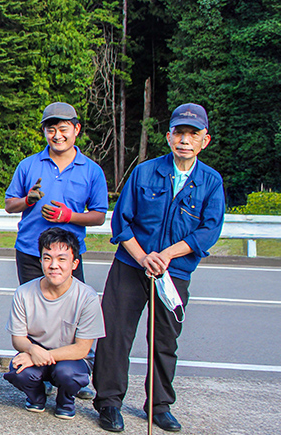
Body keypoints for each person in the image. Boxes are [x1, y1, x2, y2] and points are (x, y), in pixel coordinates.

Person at [93, 103, 225, 433]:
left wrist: (165, 256)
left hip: (174, 272)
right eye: (179, 133)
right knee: (114, 335)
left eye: (192, 134)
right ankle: (109, 402)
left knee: (165, 339)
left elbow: (208, 230)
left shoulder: (211, 181)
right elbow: (121, 222)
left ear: (204, 140)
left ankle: (159, 404)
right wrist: (143, 257)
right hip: (131, 265)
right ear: (168, 137)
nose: (184, 140)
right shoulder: (145, 172)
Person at [4, 227, 105, 420]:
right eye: (47, 258)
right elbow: (18, 339)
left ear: (74, 263)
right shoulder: (24, 293)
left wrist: (40, 355)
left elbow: (82, 349)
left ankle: (66, 400)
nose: (53, 265)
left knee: (67, 373)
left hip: (71, 359)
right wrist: (33, 351)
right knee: (19, 371)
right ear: (40, 260)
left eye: (61, 259)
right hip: (38, 351)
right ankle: (36, 396)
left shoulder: (87, 297)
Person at [4, 102, 108, 285]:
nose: (57, 136)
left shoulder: (92, 171)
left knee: (69, 310)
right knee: (34, 309)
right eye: (51, 130)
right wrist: (27, 200)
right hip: (30, 253)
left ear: (76, 129)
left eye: (63, 129)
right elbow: (9, 205)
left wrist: (69, 216)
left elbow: (99, 216)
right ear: (44, 131)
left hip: (68, 256)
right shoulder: (28, 165)